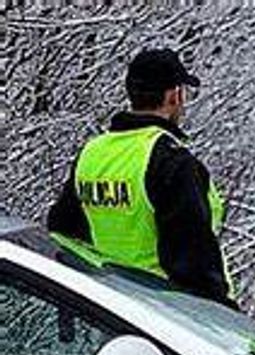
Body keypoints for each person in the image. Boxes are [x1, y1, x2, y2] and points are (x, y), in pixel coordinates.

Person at [48, 48, 235, 308]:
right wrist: (225, 318)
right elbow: (195, 261)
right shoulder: (172, 161)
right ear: (174, 95)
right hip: (170, 316)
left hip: (113, 309)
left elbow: (63, 233)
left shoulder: (92, 152)